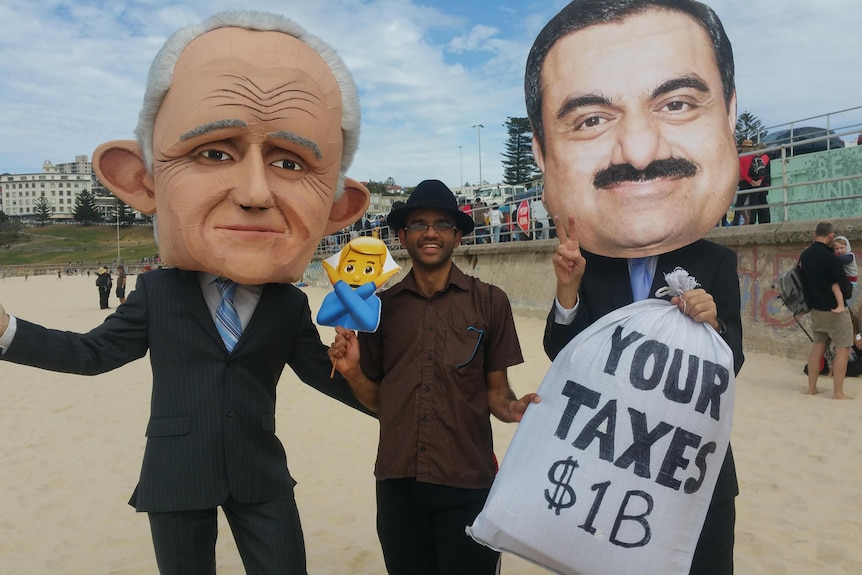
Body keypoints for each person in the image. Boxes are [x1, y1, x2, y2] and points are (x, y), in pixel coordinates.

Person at [0, 11, 373, 574]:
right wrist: (6, 332)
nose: (253, 193)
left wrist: (377, 394)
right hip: (177, 472)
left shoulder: (288, 303)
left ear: (336, 211)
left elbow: (319, 374)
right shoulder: (157, 294)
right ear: (142, 181)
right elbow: (93, 354)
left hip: (260, 474)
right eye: (215, 153)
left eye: (289, 161)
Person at [525, 1, 744, 573]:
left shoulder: (716, 261)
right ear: (542, 153)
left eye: (676, 104)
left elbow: (733, 361)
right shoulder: (591, 265)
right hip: (605, 476)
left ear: (729, 116)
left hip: (696, 476)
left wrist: (712, 325)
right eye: (592, 119)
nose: (641, 152)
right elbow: (560, 354)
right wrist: (567, 291)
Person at [329, 179, 539, 575]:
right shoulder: (379, 310)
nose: (430, 232)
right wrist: (353, 371)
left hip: (468, 479)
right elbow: (378, 401)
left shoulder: (490, 301)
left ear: (457, 236)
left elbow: (496, 392)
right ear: (402, 236)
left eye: (442, 224)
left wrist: (513, 408)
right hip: (398, 484)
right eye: (419, 224)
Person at [799, 222, 854, 399]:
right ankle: (838, 392)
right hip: (835, 311)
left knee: (817, 348)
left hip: (816, 309)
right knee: (843, 350)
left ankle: (812, 388)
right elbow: (843, 284)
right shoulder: (831, 258)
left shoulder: (805, 255)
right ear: (831, 236)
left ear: (815, 234)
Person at [736, 139, 770, 225]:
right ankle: (752, 222)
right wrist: (759, 181)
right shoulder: (757, 156)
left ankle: (735, 223)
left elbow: (742, 172)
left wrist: (750, 181)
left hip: (745, 182)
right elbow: (762, 170)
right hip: (756, 182)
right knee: (753, 204)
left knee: (740, 203)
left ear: (743, 148)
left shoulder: (741, 157)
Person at [831, 235, 857, 302]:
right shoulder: (839, 256)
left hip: (850, 279)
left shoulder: (850, 256)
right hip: (845, 278)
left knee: (835, 286)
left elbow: (841, 259)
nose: (839, 251)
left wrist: (828, 255)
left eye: (842, 248)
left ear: (847, 247)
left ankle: (840, 305)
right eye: (836, 249)